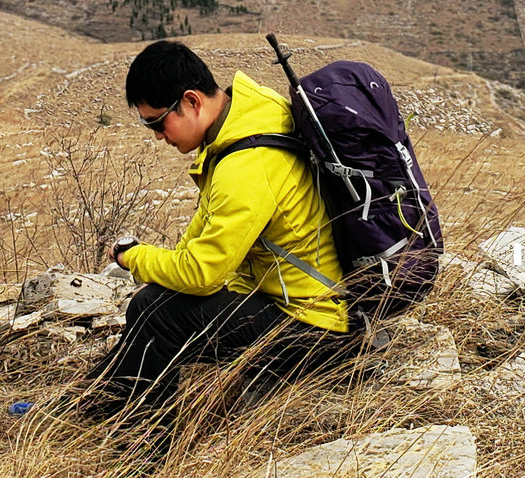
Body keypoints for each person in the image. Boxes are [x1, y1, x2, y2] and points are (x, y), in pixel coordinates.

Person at [82, 40, 363, 425]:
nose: (158, 136)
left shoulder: (246, 165)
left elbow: (201, 273)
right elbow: (200, 247)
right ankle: (100, 402)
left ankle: (144, 448)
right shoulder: (248, 119)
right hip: (302, 306)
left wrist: (132, 257)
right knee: (151, 306)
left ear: (192, 101)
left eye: (157, 122)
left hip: (313, 329)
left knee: (156, 313)